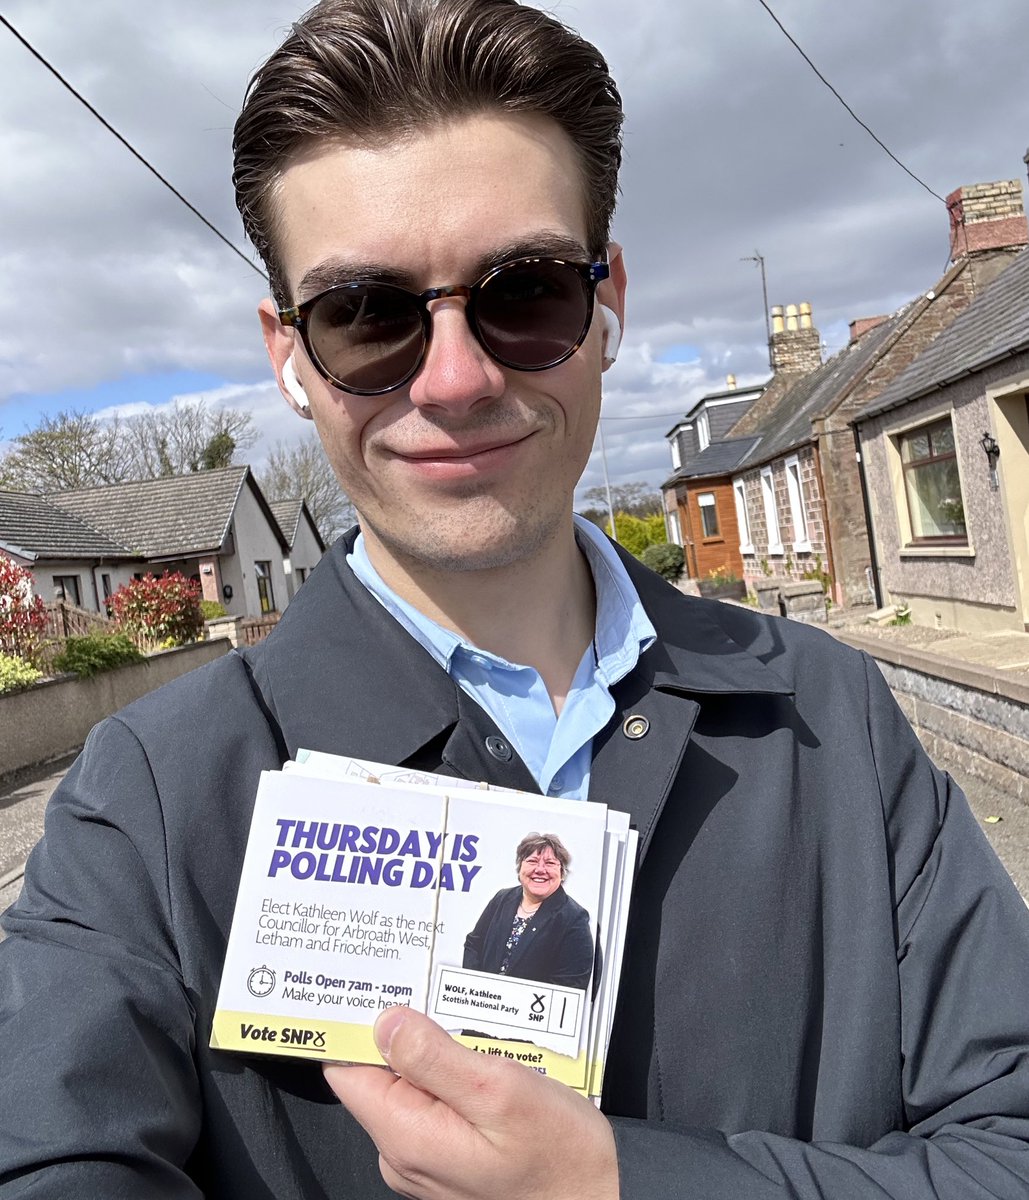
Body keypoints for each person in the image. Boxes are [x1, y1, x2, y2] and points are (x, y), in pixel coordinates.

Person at [2, 0, 1029, 1196]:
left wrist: (619, 1183)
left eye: (526, 290)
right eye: (365, 314)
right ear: (289, 353)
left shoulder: (831, 715)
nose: (453, 379)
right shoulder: (148, 802)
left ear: (609, 305)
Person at [462, 833, 594, 989]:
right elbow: (473, 944)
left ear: (562, 872)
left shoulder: (574, 918)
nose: (540, 869)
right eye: (532, 861)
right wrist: (475, 987)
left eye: (550, 863)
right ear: (520, 868)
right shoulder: (502, 898)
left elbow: (571, 982)